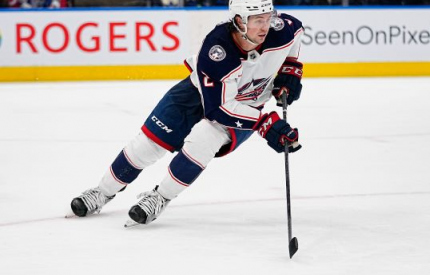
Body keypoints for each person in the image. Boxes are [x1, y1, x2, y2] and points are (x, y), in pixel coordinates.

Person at [69, 0, 305, 226]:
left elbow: (297, 32)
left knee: (202, 141)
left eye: (267, 18)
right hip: (200, 94)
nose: (265, 26)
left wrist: (291, 70)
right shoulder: (217, 49)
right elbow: (218, 108)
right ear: (239, 21)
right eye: (257, 20)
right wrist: (264, 123)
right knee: (147, 145)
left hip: (246, 105)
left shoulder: (282, 29)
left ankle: (160, 197)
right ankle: (102, 192)